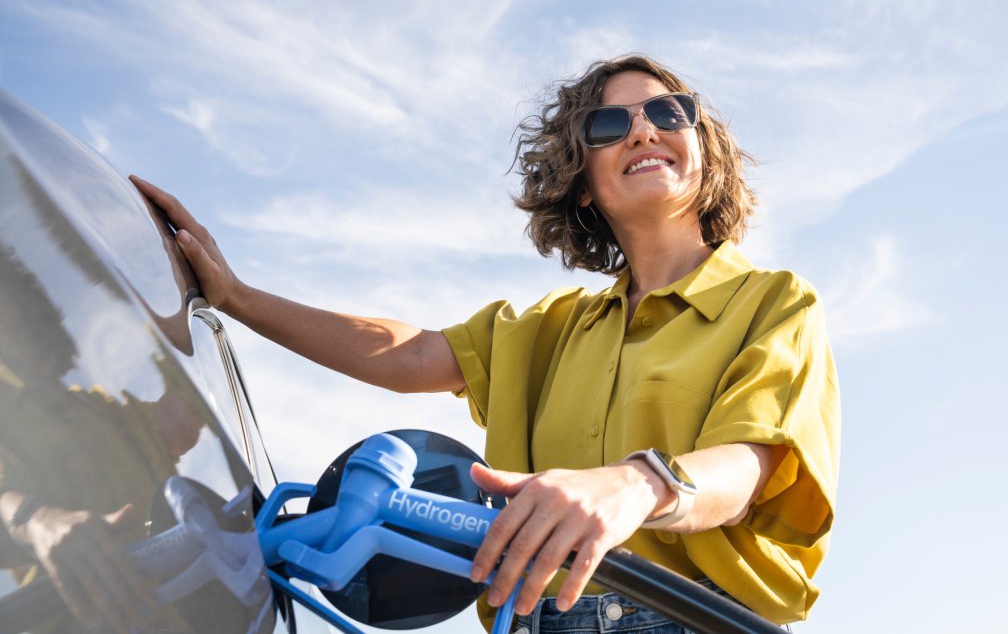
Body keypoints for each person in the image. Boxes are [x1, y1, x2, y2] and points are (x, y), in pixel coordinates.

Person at [131, 54, 840, 632]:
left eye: (666, 111)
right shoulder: (555, 327)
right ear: (583, 184)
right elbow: (411, 355)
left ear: (703, 149)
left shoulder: (774, 302)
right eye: (609, 124)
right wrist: (237, 297)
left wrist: (638, 483)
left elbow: (753, 465)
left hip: (689, 620)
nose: (644, 131)